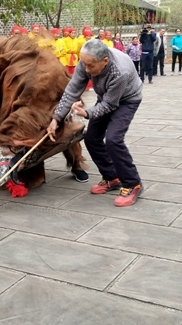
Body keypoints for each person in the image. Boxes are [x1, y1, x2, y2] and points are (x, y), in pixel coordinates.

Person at [47, 39, 144, 207]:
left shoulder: (120, 71)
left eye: (90, 66)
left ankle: (132, 183)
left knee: (114, 139)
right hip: (106, 97)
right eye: (84, 64)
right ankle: (112, 177)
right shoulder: (88, 60)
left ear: (104, 61)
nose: (86, 70)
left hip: (127, 100)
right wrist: (56, 118)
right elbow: (72, 89)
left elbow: (110, 105)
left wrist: (86, 113)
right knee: (91, 137)